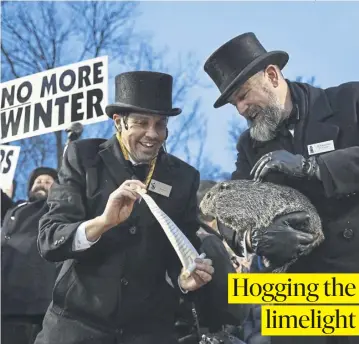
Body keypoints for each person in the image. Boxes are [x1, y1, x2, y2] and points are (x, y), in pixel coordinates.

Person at [34, 71, 214, 344]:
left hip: (147, 331)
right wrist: (102, 223)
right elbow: (50, 239)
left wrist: (185, 279)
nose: (152, 134)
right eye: (141, 123)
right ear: (118, 122)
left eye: (160, 124)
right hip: (76, 326)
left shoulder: (184, 177)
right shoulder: (84, 158)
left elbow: (181, 253)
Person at [204, 32, 359, 344]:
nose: (242, 109)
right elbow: (229, 207)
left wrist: (313, 167)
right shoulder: (250, 146)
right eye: (235, 103)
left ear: (272, 76)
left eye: (244, 95)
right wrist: (254, 237)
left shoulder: (347, 102)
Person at [1, 167, 58, 344]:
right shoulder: (15, 208)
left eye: (48, 182)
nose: (42, 184)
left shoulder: (55, 209)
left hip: (37, 302)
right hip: (6, 300)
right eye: (38, 181)